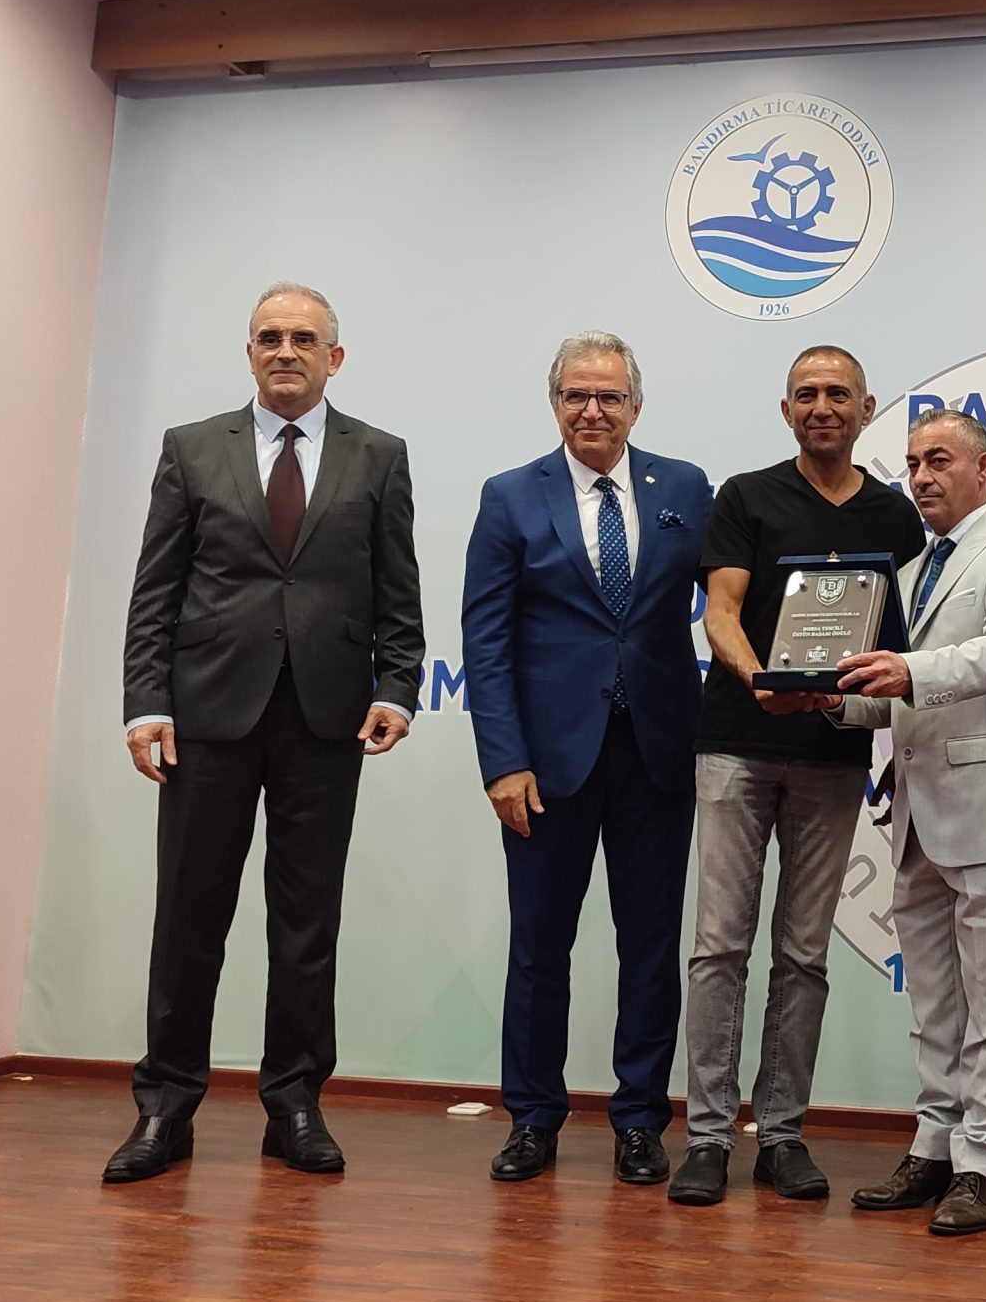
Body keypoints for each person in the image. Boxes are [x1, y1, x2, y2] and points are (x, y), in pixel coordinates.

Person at [107, 284, 423, 1184]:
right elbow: (156, 589)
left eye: (304, 339)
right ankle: (165, 1107)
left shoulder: (380, 456)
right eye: (270, 338)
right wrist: (145, 702)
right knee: (188, 918)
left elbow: (397, 588)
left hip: (326, 717)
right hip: (206, 717)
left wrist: (399, 686)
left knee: (306, 923)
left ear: (335, 358)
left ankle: (294, 1105)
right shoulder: (191, 448)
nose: (286, 351)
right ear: (249, 353)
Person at [668, 347, 926, 1208]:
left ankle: (781, 1135)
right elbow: (721, 612)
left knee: (804, 954)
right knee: (718, 947)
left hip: (833, 754)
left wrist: (854, 703)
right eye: (806, 394)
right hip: (737, 746)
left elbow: (908, 641)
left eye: (838, 395)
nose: (822, 407)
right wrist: (762, 683)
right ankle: (708, 1139)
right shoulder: (746, 496)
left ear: (866, 408)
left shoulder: (896, 516)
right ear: (786, 411)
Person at [461, 332, 712, 1186]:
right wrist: (503, 761)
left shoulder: (685, 488)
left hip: (658, 756)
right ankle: (533, 1117)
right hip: (546, 766)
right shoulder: (510, 496)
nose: (592, 411)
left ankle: (640, 1119)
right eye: (576, 395)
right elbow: (486, 640)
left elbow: (731, 599)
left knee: (650, 945)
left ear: (635, 406)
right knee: (540, 948)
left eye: (608, 396)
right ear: (555, 402)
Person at [828, 408, 986, 1236]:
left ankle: (983, 1164)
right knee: (933, 1003)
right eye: (913, 464)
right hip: (918, 813)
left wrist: (904, 670)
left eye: (939, 461)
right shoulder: (909, 572)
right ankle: (933, 1146)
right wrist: (833, 699)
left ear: (983, 468)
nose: (922, 478)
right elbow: (892, 695)